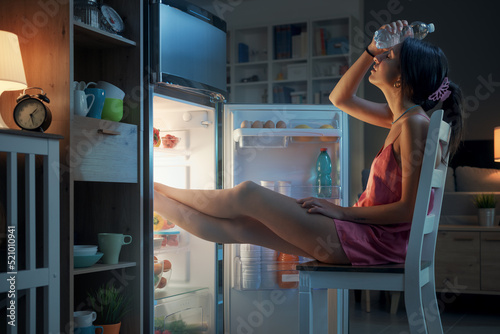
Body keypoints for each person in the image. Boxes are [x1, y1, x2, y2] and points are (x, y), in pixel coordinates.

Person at [154, 20, 464, 266]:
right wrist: (370, 49)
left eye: (388, 56)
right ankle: (151, 197)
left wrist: (341, 213)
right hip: (365, 237)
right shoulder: (402, 119)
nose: (379, 58)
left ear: (401, 79)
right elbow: (339, 98)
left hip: (373, 242)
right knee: (241, 227)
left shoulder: (413, 125)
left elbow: (409, 210)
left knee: (247, 193)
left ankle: (152, 190)